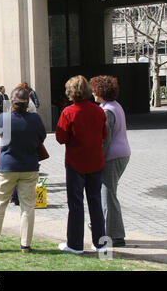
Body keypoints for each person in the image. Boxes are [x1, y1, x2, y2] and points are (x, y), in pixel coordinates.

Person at [0, 87, 46, 253]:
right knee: (27, 206)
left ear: (11, 102)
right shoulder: (35, 119)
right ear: (28, 103)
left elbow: (1, 134)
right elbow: (42, 137)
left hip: (8, 166)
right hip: (29, 166)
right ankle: (25, 245)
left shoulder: (3, 118)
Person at [55, 75, 107, 254]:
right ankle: (101, 243)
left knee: (75, 204)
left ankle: (75, 244)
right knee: (95, 201)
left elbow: (61, 138)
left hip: (76, 162)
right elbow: (104, 135)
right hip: (96, 161)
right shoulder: (99, 111)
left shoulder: (68, 112)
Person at [90, 75, 131, 248]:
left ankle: (113, 235)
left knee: (108, 195)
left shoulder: (106, 111)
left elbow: (104, 140)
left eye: (94, 90)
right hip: (122, 153)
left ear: (100, 92)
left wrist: (97, 160)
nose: (92, 93)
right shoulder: (115, 106)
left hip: (112, 156)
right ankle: (114, 233)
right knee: (109, 194)